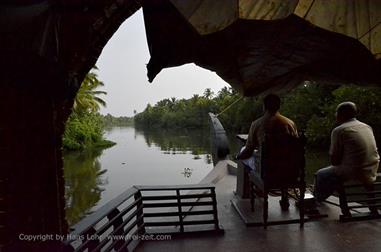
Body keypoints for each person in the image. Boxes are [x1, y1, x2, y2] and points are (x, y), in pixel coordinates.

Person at [237, 94, 298, 209]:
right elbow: (295, 149)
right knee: (283, 160)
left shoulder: (257, 124)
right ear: (279, 106)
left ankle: (259, 191)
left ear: (264, 107)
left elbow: (249, 150)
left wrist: (238, 156)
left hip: (269, 172)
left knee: (245, 156)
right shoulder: (290, 123)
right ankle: (284, 198)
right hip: (289, 172)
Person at [314, 102, 380, 202]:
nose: (335, 115)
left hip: (354, 172)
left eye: (336, 112)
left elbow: (334, 161)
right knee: (331, 173)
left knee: (321, 174)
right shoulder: (367, 126)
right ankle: (372, 206)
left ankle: (317, 200)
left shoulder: (339, 130)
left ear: (341, 114)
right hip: (372, 168)